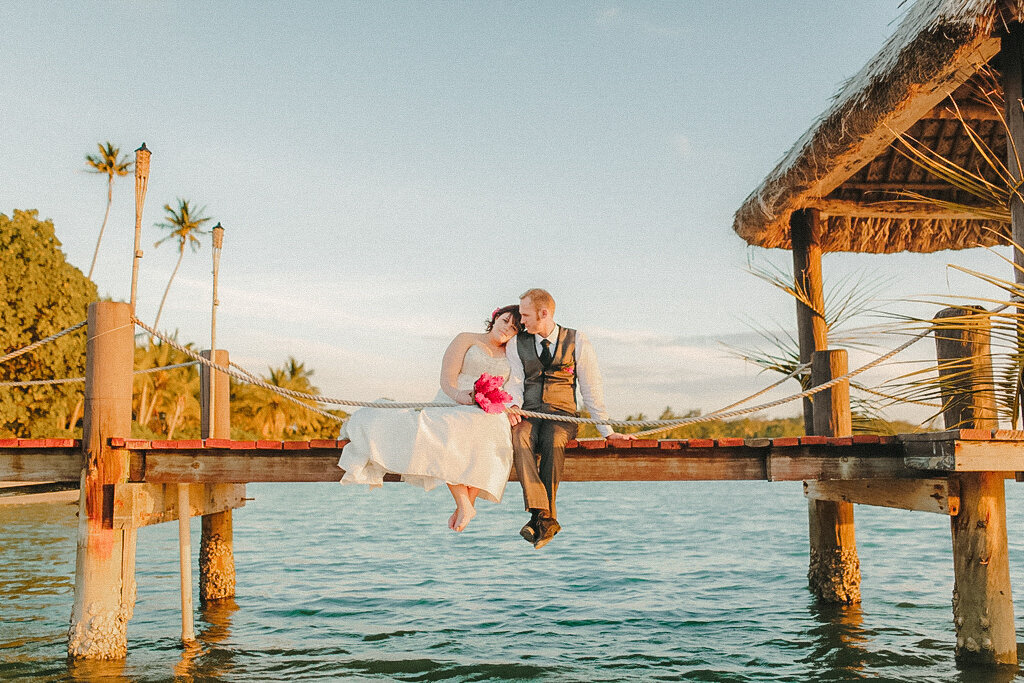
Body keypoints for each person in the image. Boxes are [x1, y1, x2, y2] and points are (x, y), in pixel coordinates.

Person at [337, 305, 521, 532]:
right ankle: (464, 503)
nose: (506, 330)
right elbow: (447, 378)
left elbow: (515, 386)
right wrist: (459, 396)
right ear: (495, 317)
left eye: (513, 328)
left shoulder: (512, 353)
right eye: (504, 321)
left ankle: (467, 505)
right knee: (451, 429)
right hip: (454, 400)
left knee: (491, 433)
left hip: (486, 409)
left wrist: (508, 405)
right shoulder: (466, 339)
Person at [505, 288, 634, 549]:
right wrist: (514, 406)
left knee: (553, 440)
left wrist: (606, 431)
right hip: (529, 412)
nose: (522, 320)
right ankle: (546, 518)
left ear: (544, 313)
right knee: (519, 436)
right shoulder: (515, 344)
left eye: (526, 314)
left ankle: (539, 517)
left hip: (562, 417)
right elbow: (515, 384)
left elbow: (591, 388)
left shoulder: (578, 340)